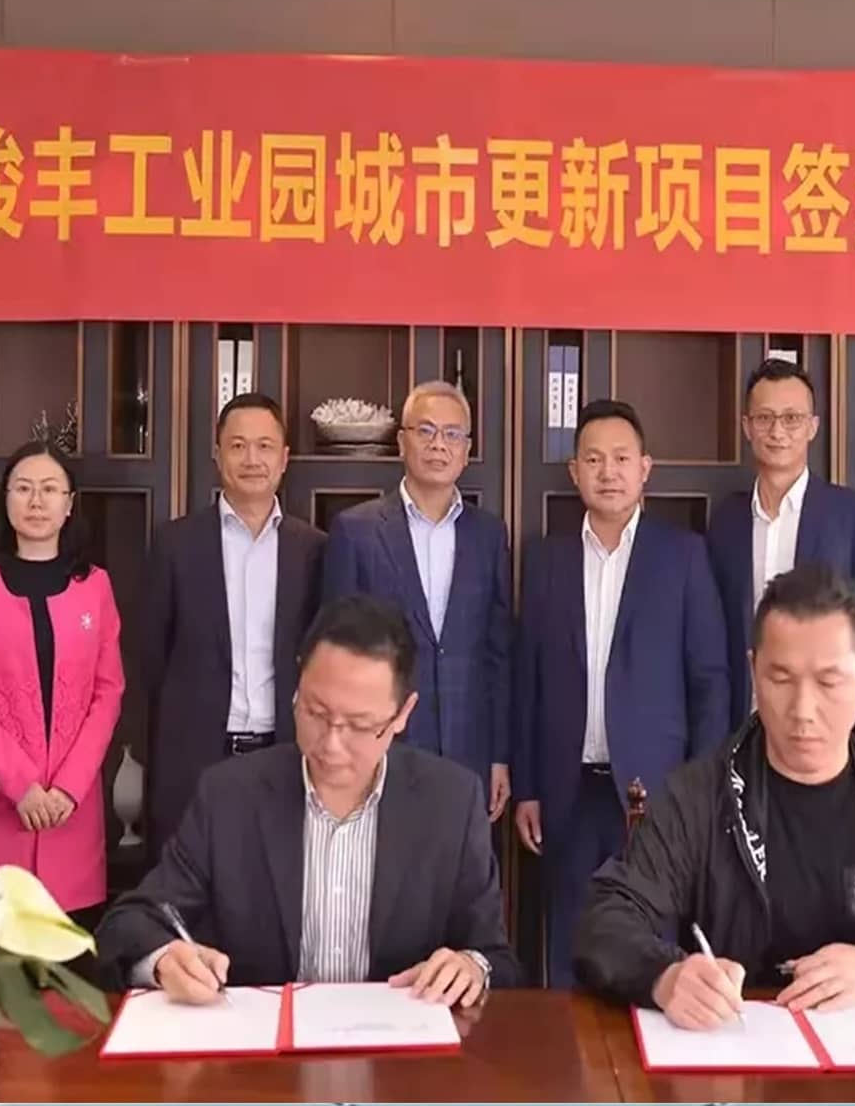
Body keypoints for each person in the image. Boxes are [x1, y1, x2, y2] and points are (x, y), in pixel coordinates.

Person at [574, 563, 855, 1028]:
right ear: (753, 672)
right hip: (738, 1041)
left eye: (828, 682)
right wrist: (665, 976)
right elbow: (604, 922)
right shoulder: (699, 795)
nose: (803, 710)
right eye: (781, 679)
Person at [97, 595, 518, 1005]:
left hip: (399, 1047)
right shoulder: (230, 796)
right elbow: (131, 923)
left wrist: (472, 967)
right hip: (265, 1044)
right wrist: (163, 959)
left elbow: (496, 958)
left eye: (359, 725)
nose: (331, 744)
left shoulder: (450, 803)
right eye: (316, 712)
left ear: (403, 714)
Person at [513, 399, 731, 988]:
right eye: (593, 460)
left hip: (654, 792)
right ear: (574, 471)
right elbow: (528, 681)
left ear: (645, 468)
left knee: (650, 944)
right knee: (567, 943)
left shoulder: (682, 555)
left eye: (621, 458)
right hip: (566, 788)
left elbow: (709, 680)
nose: (607, 472)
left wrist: (698, 790)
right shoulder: (547, 559)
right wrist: (528, 787)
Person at [0, 440, 124, 922]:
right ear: (5, 499)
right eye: (23, 489)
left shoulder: (95, 586)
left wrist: (67, 789)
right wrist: (21, 785)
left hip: (69, 811)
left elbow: (108, 693)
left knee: (67, 954)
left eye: (49, 489)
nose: (36, 501)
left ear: (69, 503)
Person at [142, 392, 326, 855]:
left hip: (285, 755)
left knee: (276, 886)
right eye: (238, 446)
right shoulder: (175, 544)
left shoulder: (314, 549)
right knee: (191, 888)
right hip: (193, 760)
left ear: (284, 459)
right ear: (217, 455)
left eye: (265, 446)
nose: (252, 459)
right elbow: (149, 659)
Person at [322, 381, 512, 820]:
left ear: (466, 450)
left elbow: (499, 653)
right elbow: (337, 654)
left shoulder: (488, 535)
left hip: (469, 750)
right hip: (382, 747)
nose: (438, 445)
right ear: (402, 442)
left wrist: (500, 756)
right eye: (425, 431)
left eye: (452, 434)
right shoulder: (356, 532)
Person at [706, 358, 855, 742]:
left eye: (792, 418)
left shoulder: (852, 514)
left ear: (813, 426)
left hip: (826, 734)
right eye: (764, 418)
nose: (777, 431)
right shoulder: (727, 519)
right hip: (743, 732)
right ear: (746, 427)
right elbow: (712, 641)